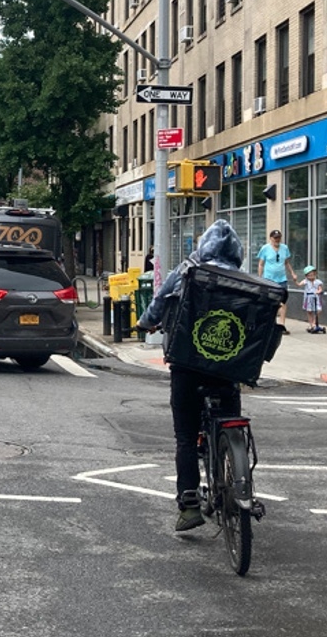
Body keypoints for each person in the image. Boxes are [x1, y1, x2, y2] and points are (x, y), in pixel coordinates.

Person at [137, 219, 245, 532]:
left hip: (187, 367)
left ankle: (189, 504)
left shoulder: (186, 271)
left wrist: (146, 324)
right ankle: (233, 472)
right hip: (227, 369)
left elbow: (156, 306)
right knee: (227, 418)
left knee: (185, 438)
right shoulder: (242, 278)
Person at [256, 229, 297, 333]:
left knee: (282, 302)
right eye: (275, 238)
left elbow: (287, 262)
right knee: (271, 302)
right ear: (271, 238)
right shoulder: (265, 249)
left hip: (282, 279)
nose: (277, 240)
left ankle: (282, 325)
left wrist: (292, 273)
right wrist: (260, 278)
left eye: (278, 238)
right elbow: (261, 264)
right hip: (269, 279)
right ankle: (271, 324)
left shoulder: (284, 248)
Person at [298, 264, 324, 333]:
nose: (311, 277)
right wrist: (295, 280)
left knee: (318, 310)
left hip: (316, 297)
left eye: (312, 275)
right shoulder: (306, 281)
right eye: (309, 275)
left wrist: (318, 292)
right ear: (306, 276)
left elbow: (320, 289)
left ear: (315, 274)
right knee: (309, 311)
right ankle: (311, 324)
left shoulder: (318, 282)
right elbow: (299, 284)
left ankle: (314, 322)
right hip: (308, 298)